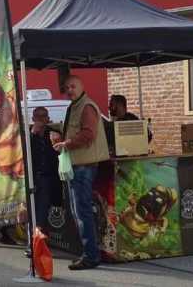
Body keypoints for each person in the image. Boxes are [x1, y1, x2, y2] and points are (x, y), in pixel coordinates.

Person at [53, 75, 110, 270]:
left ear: (81, 86)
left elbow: (88, 134)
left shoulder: (86, 106)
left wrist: (65, 144)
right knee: (81, 210)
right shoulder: (76, 105)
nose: (69, 90)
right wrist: (56, 130)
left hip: (83, 166)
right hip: (78, 164)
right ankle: (90, 252)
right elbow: (76, 130)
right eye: (66, 87)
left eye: (73, 86)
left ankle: (91, 256)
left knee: (82, 211)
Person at [29, 107, 61, 235]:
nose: (41, 119)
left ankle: (38, 236)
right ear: (33, 119)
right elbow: (23, 153)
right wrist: (32, 135)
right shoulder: (28, 134)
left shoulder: (54, 133)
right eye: (38, 116)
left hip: (49, 177)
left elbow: (61, 152)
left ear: (48, 119)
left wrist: (59, 141)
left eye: (44, 116)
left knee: (43, 207)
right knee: (33, 208)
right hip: (33, 177)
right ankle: (36, 236)